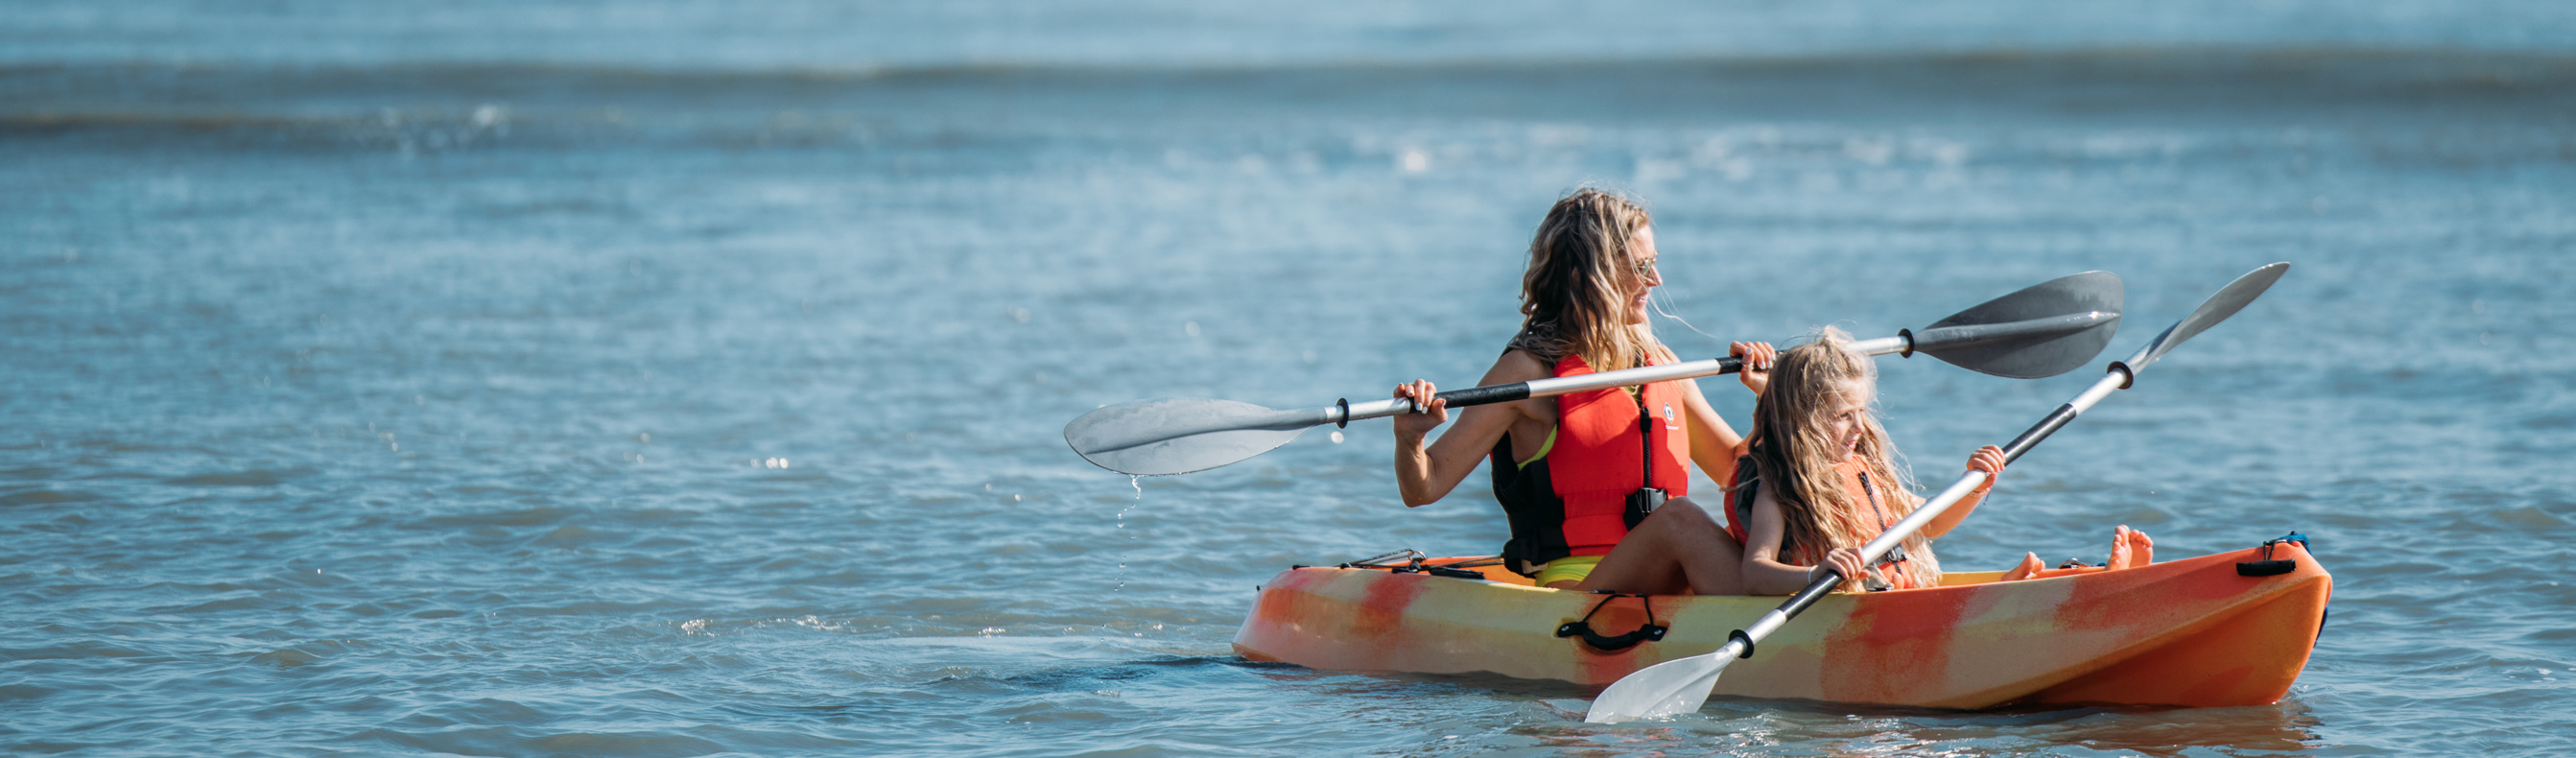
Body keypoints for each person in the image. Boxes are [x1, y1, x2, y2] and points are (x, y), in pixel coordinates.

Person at [1390, 188, 1775, 593]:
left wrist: (1766, 403)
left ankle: (1807, 591)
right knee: (1682, 518)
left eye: (1654, 264)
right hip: (1579, 589)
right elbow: (1424, 487)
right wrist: (1411, 438)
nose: (1655, 280)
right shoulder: (1529, 374)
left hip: (1667, 575)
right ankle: (1782, 624)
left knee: (1778, 504)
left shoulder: (1663, 365)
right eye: (1639, 267)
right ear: (1587, 278)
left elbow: (1736, 474)